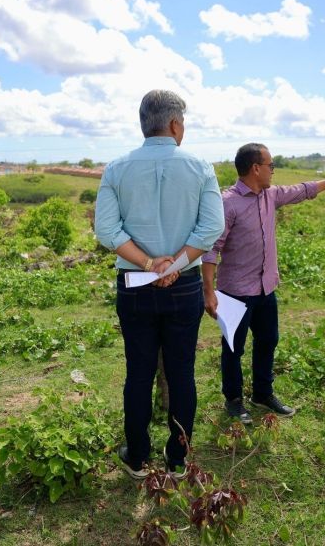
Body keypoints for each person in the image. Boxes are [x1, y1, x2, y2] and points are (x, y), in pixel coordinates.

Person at [95, 90, 224, 479]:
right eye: (182, 122)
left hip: (134, 284)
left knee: (138, 371)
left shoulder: (116, 169)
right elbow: (212, 227)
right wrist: (175, 264)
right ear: (174, 124)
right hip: (183, 285)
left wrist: (151, 264)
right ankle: (178, 459)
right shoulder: (200, 167)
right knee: (182, 372)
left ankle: (136, 457)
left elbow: (106, 229)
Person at [201, 143, 325, 424]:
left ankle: (262, 393)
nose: (274, 171)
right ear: (255, 168)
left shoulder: (270, 196)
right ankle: (234, 400)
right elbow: (212, 249)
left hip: (264, 289)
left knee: (268, 341)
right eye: (271, 166)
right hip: (235, 292)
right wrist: (208, 291)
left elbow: (303, 190)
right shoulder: (228, 203)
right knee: (233, 348)